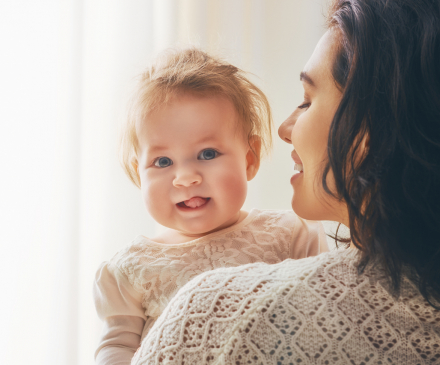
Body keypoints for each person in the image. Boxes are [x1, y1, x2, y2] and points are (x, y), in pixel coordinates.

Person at [131, 0, 440, 364]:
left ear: (369, 129)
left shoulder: (215, 316)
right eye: (162, 161)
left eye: (307, 102)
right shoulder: (130, 270)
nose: (285, 128)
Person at [93, 48, 329, 365]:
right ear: (140, 173)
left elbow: (325, 320)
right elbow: (117, 347)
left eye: (207, 154)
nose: (186, 177)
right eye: (163, 161)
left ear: (249, 158)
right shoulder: (131, 268)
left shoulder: (290, 235)